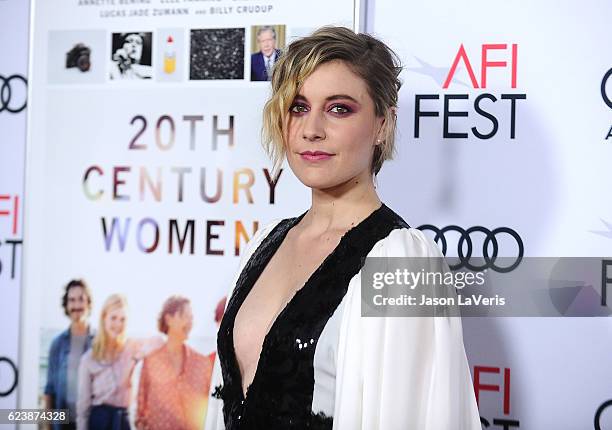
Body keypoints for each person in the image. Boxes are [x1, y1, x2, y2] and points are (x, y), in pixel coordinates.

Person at [205, 26, 481, 429]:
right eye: (298, 106)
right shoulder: (266, 241)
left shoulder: (402, 261)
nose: (311, 129)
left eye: (339, 109)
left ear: (383, 124)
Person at [77, 294, 162, 430]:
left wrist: (136, 357)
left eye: (123, 319)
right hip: (99, 421)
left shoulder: (132, 347)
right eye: (113, 318)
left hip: (123, 422)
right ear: (104, 318)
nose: (118, 324)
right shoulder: (89, 359)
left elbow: (158, 342)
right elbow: (83, 408)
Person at [136, 296, 212, 430]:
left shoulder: (202, 364)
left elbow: (209, 411)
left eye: (191, 318)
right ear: (168, 319)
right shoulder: (151, 361)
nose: (189, 322)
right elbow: (141, 414)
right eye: (184, 316)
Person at [44, 279, 94, 430]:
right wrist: (47, 426)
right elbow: (49, 391)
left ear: (88, 304)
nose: (77, 305)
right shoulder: (57, 344)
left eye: (81, 299)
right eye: (72, 300)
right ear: (66, 305)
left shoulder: (99, 342)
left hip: (91, 422)